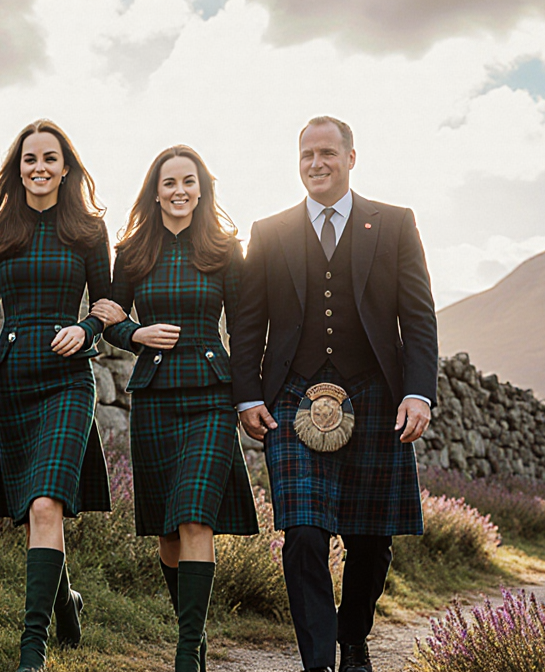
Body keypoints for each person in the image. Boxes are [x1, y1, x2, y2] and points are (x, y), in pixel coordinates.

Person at [229, 116, 437, 672]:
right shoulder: (269, 231)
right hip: (293, 398)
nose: (315, 163)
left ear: (350, 158)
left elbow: (417, 316)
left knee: (371, 540)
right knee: (302, 534)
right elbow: (249, 323)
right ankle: (318, 662)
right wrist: (248, 395)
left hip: (374, 395)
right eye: (305, 155)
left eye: (326, 152)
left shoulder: (393, 224)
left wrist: (418, 393)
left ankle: (354, 637)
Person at [91, 145, 257, 672]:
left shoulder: (226, 248)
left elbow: (249, 326)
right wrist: (136, 332)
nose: (179, 191)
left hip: (211, 393)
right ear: (155, 189)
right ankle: (196, 631)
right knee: (166, 533)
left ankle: (187, 654)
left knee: (193, 518)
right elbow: (108, 315)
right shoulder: (134, 249)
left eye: (189, 181)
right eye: (169, 183)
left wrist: (249, 391)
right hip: (157, 395)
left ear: (202, 188)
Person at [0, 119, 117, 672]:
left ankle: (33, 652)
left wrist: (88, 330)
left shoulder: (88, 229)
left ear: (66, 167)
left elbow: (109, 304)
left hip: (70, 380)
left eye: (50, 158)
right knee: (33, 514)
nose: (40, 168)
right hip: (15, 382)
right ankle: (67, 603)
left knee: (46, 501)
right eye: (30, 159)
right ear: (17, 166)